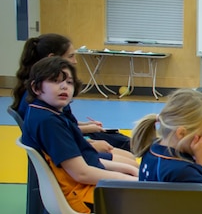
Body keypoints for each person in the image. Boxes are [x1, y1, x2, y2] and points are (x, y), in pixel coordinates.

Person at [21, 57, 138, 214]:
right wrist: (130, 181)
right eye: (55, 81)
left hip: (75, 187)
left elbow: (86, 159)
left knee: (134, 172)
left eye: (69, 82)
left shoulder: (45, 113)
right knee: (151, 197)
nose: (64, 86)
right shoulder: (49, 123)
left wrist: (128, 171)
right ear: (36, 87)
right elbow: (81, 173)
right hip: (79, 195)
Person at [11, 33, 137, 168]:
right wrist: (90, 141)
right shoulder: (45, 112)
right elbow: (78, 167)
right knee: (128, 152)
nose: (75, 61)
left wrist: (87, 130)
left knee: (127, 153)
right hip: (73, 157)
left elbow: (65, 127)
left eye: (69, 82)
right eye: (71, 56)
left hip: (73, 149)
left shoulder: (44, 104)